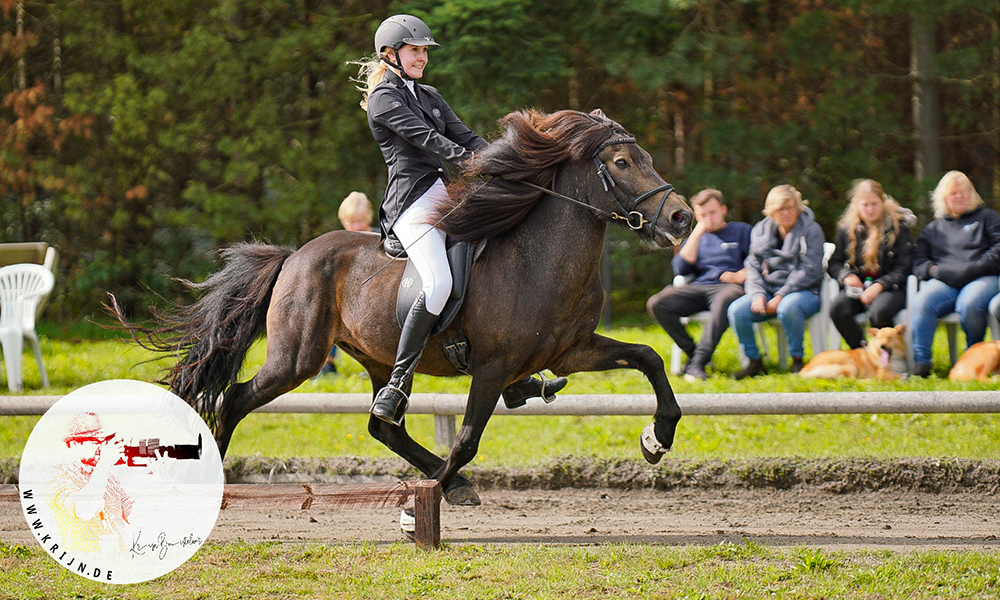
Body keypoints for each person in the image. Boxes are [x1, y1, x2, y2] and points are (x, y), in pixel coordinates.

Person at [355, 15, 564, 424]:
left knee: (490, 262)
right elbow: (428, 140)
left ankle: (511, 377)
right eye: (415, 50)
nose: (422, 57)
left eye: (424, 52)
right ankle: (397, 383)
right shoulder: (384, 98)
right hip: (411, 204)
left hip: (442, 196)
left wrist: (509, 162)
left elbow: (466, 136)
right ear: (390, 54)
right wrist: (476, 164)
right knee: (438, 282)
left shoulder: (428, 94)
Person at [646, 188, 751, 380]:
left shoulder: (742, 231)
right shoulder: (695, 236)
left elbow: (759, 261)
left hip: (730, 287)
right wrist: (698, 232)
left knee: (725, 299)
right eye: (702, 214)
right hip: (698, 287)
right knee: (657, 303)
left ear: (723, 210)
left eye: (712, 212)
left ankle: (698, 361)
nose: (708, 217)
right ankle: (695, 354)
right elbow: (681, 269)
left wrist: (742, 274)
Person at [727, 184, 825, 379]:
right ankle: (754, 362)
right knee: (737, 310)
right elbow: (752, 266)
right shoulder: (760, 230)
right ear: (771, 211)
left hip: (804, 291)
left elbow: (809, 270)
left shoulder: (812, 230)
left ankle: (797, 359)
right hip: (769, 290)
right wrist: (757, 295)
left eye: (790, 208)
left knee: (788, 307)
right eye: (781, 209)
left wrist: (781, 295)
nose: (786, 213)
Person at [910, 171, 1000, 377]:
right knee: (922, 301)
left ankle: (973, 357)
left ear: (972, 194)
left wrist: (974, 268)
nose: (960, 197)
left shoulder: (988, 218)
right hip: (945, 280)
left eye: (964, 192)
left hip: (982, 276)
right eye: (954, 193)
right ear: (944, 198)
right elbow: (919, 260)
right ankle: (921, 363)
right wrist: (935, 270)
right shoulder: (934, 229)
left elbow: (998, 249)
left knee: (969, 304)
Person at [827, 179, 914, 349]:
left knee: (878, 312)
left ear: (883, 203)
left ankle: (886, 355)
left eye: (874, 204)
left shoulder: (898, 228)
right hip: (859, 288)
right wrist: (847, 276)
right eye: (865, 205)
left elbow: (904, 267)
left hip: (891, 289)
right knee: (838, 309)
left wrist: (880, 285)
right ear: (857, 206)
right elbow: (834, 263)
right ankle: (862, 350)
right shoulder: (847, 229)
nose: (870, 209)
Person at [47, 412, 132, 552]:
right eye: (95, 442)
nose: (101, 448)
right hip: (81, 556)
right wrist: (104, 466)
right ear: (74, 444)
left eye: (103, 442)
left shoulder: (103, 475)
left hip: (115, 559)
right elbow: (83, 511)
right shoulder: (57, 478)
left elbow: (129, 512)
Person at [317, 192, 376, 377]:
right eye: (350, 222)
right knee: (329, 312)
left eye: (359, 221)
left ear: (368, 219)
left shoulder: (377, 238)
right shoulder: (343, 243)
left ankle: (377, 364)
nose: (355, 227)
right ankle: (328, 364)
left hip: (372, 294)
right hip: (348, 295)